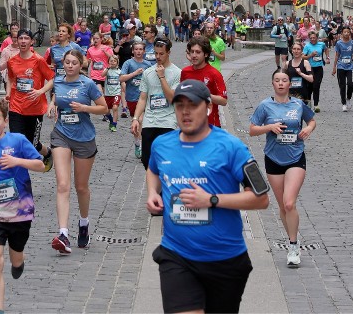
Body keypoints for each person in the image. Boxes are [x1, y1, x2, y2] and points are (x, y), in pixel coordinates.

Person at [146, 80, 269, 314]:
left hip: (225, 259)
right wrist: (152, 192)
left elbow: (261, 198)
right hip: (177, 255)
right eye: (179, 105)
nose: (185, 112)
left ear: (209, 108)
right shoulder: (162, 145)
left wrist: (212, 199)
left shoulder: (232, 147)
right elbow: (153, 169)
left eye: (192, 105)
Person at [0, 99, 44, 314]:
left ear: (5, 121)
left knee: (15, 257)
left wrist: (17, 161)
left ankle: (18, 262)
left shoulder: (19, 141)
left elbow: (41, 165)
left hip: (20, 212)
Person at [249, 70, 316, 268]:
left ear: (289, 84)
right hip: (273, 159)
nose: (280, 83)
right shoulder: (265, 106)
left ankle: (294, 246)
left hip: (295, 157)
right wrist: (269, 128)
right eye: (277, 80)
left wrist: (308, 128)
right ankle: (291, 238)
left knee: (289, 203)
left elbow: (311, 120)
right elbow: (252, 129)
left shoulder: (298, 104)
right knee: (281, 206)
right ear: (272, 84)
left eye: (284, 80)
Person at [48, 49, 107, 254]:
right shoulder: (58, 80)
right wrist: (51, 105)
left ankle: (83, 223)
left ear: (81, 64)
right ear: (63, 64)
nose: (70, 65)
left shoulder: (88, 84)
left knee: (81, 187)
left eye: (74, 62)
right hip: (61, 134)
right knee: (63, 185)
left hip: (84, 137)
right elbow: (56, 97)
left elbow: (104, 108)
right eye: (67, 62)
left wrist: (85, 108)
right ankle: (63, 233)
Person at [4, 28, 55, 170]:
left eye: (26, 38)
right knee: (16, 143)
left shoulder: (38, 60)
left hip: (35, 109)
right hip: (16, 107)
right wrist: (8, 94)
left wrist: (40, 91)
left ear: (32, 42)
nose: (23, 41)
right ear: (16, 41)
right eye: (20, 38)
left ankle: (47, 152)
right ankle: (20, 179)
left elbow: (52, 79)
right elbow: (10, 78)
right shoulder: (12, 61)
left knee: (32, 144)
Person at [131, 37, 181, 171]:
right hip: (149, 122)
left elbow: (171, 98)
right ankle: (154, 187)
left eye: (161, 53)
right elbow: (142, 98)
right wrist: (136, 118)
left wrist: (162, 77)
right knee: (146, 159)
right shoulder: (147, 72)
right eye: (156, 53)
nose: (158, 57)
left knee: (165, 161)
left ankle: (162, 188)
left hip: (168, 122)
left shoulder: (177, 73)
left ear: (168, 52)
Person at [180, 35, 228, 127]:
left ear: (206, 54)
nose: (194, 55)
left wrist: (205, 95)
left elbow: (223, 101)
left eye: (198, 52)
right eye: (192, 52)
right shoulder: (185, 72)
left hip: (210, 126)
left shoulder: (214, 74)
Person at [120, 40, 155, 156]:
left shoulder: (148, 64)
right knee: (136, 123)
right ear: (133, 51)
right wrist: (135, 73)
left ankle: (143, 145)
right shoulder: (128, 63)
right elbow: (121, 78)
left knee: (141, 120)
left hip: (145, 97)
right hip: (132, 98)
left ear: (144, 51)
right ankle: (137, 143)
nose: (138, 51)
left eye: (141, 49)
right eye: (136, 49)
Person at [331, 25, 353, 111]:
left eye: (348, 32)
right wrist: (334, 67)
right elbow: (337, 55)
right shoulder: (339, 43)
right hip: (341, 66)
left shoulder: (352, 42)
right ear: (341, 33)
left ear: (350, 33)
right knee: (342, 85)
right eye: (344, 32)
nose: (346, 34)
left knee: (350, 84)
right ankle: (344, 103)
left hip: (350, 66)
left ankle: (348, 98)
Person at [302, 32, 327, 112]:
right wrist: (311, 55)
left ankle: (316, 105)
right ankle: (308, 103)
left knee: (316, 86)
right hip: (309, 68)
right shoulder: (307, 46)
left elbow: (326, 49)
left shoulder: (321, 44)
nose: (312, 39)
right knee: (309, 87)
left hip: (319, 68)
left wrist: (328, 57)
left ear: (317, 37)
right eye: (311, 38)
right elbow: (302, 57)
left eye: (314, 37)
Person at [103, 54, 123, 132]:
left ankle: (114, 124)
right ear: (108, 62)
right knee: (106, 111)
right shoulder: (107, 70)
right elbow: (102, 75)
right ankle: (111, 121)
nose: (113, 62)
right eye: (111, 61)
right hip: (108, 94)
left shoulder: (119, 71)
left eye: (115, 61)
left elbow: (122, 81)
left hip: (116, 93)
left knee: (115, 107)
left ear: (117, 62)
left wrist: (123, 89)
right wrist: (108, 68)